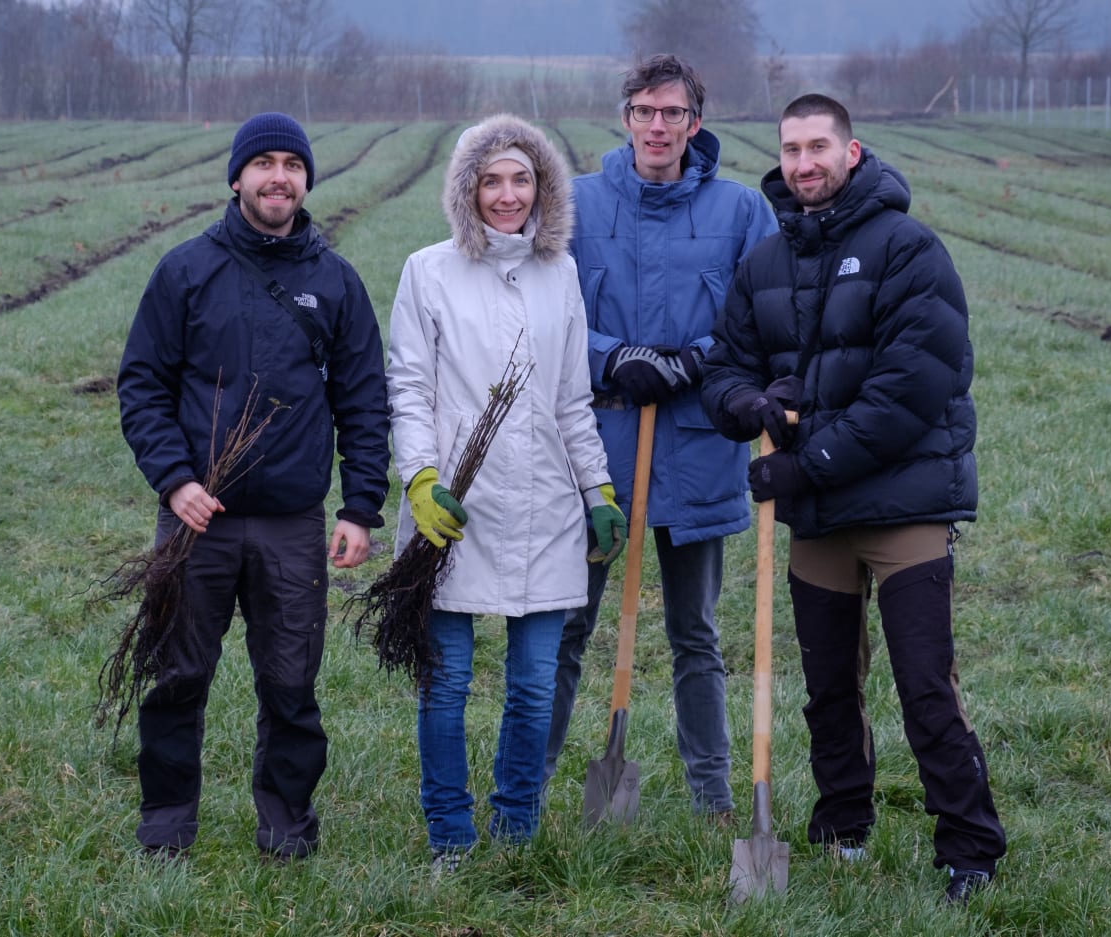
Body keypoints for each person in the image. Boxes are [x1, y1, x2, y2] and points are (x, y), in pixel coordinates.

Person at [701, 93, 1007, 904]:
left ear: (853, 152)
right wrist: (748, 407)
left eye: (819, 148)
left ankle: (970, 846)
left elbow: (911, 389)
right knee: (829, 684)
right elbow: (724, 365)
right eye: (791, 149)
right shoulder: (766, 262)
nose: (804, 164)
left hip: (903, 508)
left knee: (923, 682)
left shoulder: (909, 249)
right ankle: (843, 828)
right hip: (823, 520)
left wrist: (806, 466)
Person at [117, 112, 390, 861]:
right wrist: (174, 482)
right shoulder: (185, 271)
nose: (279, 177)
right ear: (236, 177)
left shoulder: (335, 281)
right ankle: (167, 825)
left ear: (307, 179)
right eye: (263, 163)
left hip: (292, 523)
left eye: (292, 164)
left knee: (291, 685)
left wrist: (361, 506)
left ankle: (287, 827)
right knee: (176, 674)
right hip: (197, 523)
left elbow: (365, 400)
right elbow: (142, 384)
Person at [387, 113, 625, 872]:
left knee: (532, 683)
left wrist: (597, 487)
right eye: (491, 179)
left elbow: (570, 400)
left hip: (546, 506)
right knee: (447, 681)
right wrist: (421, 477)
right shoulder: (428, 271)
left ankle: (517, 824)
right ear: (467, 189)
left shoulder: (561, 274)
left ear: (543, 188)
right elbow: (410, 388)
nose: (507, 194)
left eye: (522, 178)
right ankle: (450, 835)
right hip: (453, 509)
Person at [543, 53, 777, 818]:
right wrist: (615, 356)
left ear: (695, 124)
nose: (657, 126)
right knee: (567, 624)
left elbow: (765, 319)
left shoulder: (741, 212)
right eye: (644, 110)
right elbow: (545, 320)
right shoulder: (577, 205)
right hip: (595, 452)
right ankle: (531, 785)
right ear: (625, 117)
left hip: (697, 449)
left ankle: (712, 798)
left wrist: (697, 361)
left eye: (672, 113)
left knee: (696, 634)